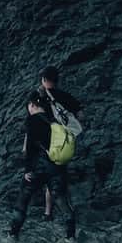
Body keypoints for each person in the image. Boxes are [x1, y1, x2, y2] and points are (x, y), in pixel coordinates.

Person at [9, 90, 76, 243]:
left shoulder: (32, 121)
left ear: (32, 105)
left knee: (24, 198)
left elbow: (30, 148)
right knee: (61, 199)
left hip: (39, 166)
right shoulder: (56, 119)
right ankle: (71, 238)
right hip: (58, 166)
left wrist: (27, 170)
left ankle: (13, 235)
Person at [36, 66, 84, 221]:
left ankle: (49, 213)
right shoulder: (65, 96)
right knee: (60, 174)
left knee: (50, 178)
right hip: (65, 143)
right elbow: (81, 114)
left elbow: (32, 122)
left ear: (43, 80)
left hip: (48, 142)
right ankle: (64, 209)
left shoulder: (39, 98)